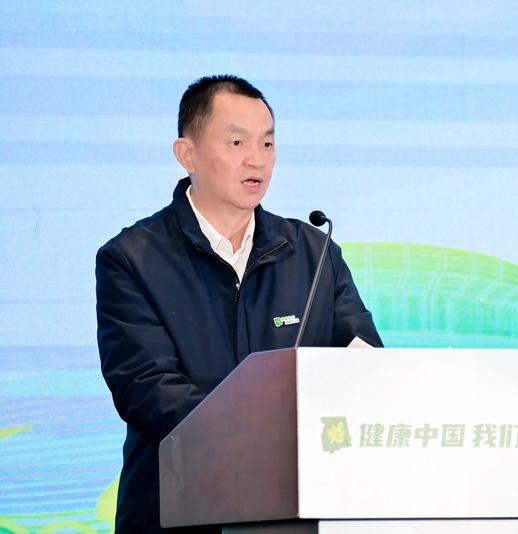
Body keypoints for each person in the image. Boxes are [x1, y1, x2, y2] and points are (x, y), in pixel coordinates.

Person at [96, 75, 382, 533]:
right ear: (187, 154)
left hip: (293, 515)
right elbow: (147, 389)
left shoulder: (313, 253)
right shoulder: (132, 258)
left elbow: (363, 364)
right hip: (177, 512)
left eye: (267, 143)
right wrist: (268, 437)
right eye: (237, 142)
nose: (257, 159)